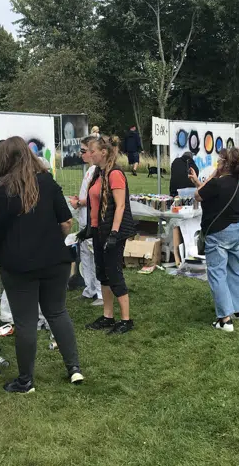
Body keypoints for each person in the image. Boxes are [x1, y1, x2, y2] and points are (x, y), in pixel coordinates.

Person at [0, 136, 82, 393]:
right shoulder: (46, 180)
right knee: (57, 313)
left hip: (18, 265)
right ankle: (74, 369)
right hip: (55, 260)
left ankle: (26, 381)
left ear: (2, 158)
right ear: (28, 155)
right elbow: (66, 222)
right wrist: (49, 240)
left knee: (25, 322)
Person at [81, 136, 136, 334]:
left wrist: (114, 232)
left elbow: (120, 205)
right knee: (102, 273)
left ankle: (126, 319)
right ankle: (108, 315)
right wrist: (89, 228)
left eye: (89, 150)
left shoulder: (114, 173)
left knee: (114, 273)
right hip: (99, 230)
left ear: (103, 152)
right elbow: (94, 203)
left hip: (113, 231)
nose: (86, 154)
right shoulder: (98, 173)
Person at [189, 147, 239, 332]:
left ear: (224, 164)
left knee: (217, 273)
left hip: (219, 231)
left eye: (219, 161)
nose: (217, 164)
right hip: (237, 229)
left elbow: (198, 195)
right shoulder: (238, 181)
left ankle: (224, 319)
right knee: (236, 268)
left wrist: (214, 173)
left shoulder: (216, 183)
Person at [70, 138, 102, 306]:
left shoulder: (97, 171)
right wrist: (79, 200)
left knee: (95, 256)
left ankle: (100, 292)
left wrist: (79, 202)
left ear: (92, 152)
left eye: (83, 151)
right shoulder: (90, 170)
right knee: (85, 255)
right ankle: (89, 289)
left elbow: (95, 197)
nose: (81, 154)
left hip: (92, 220)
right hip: (84, 219)